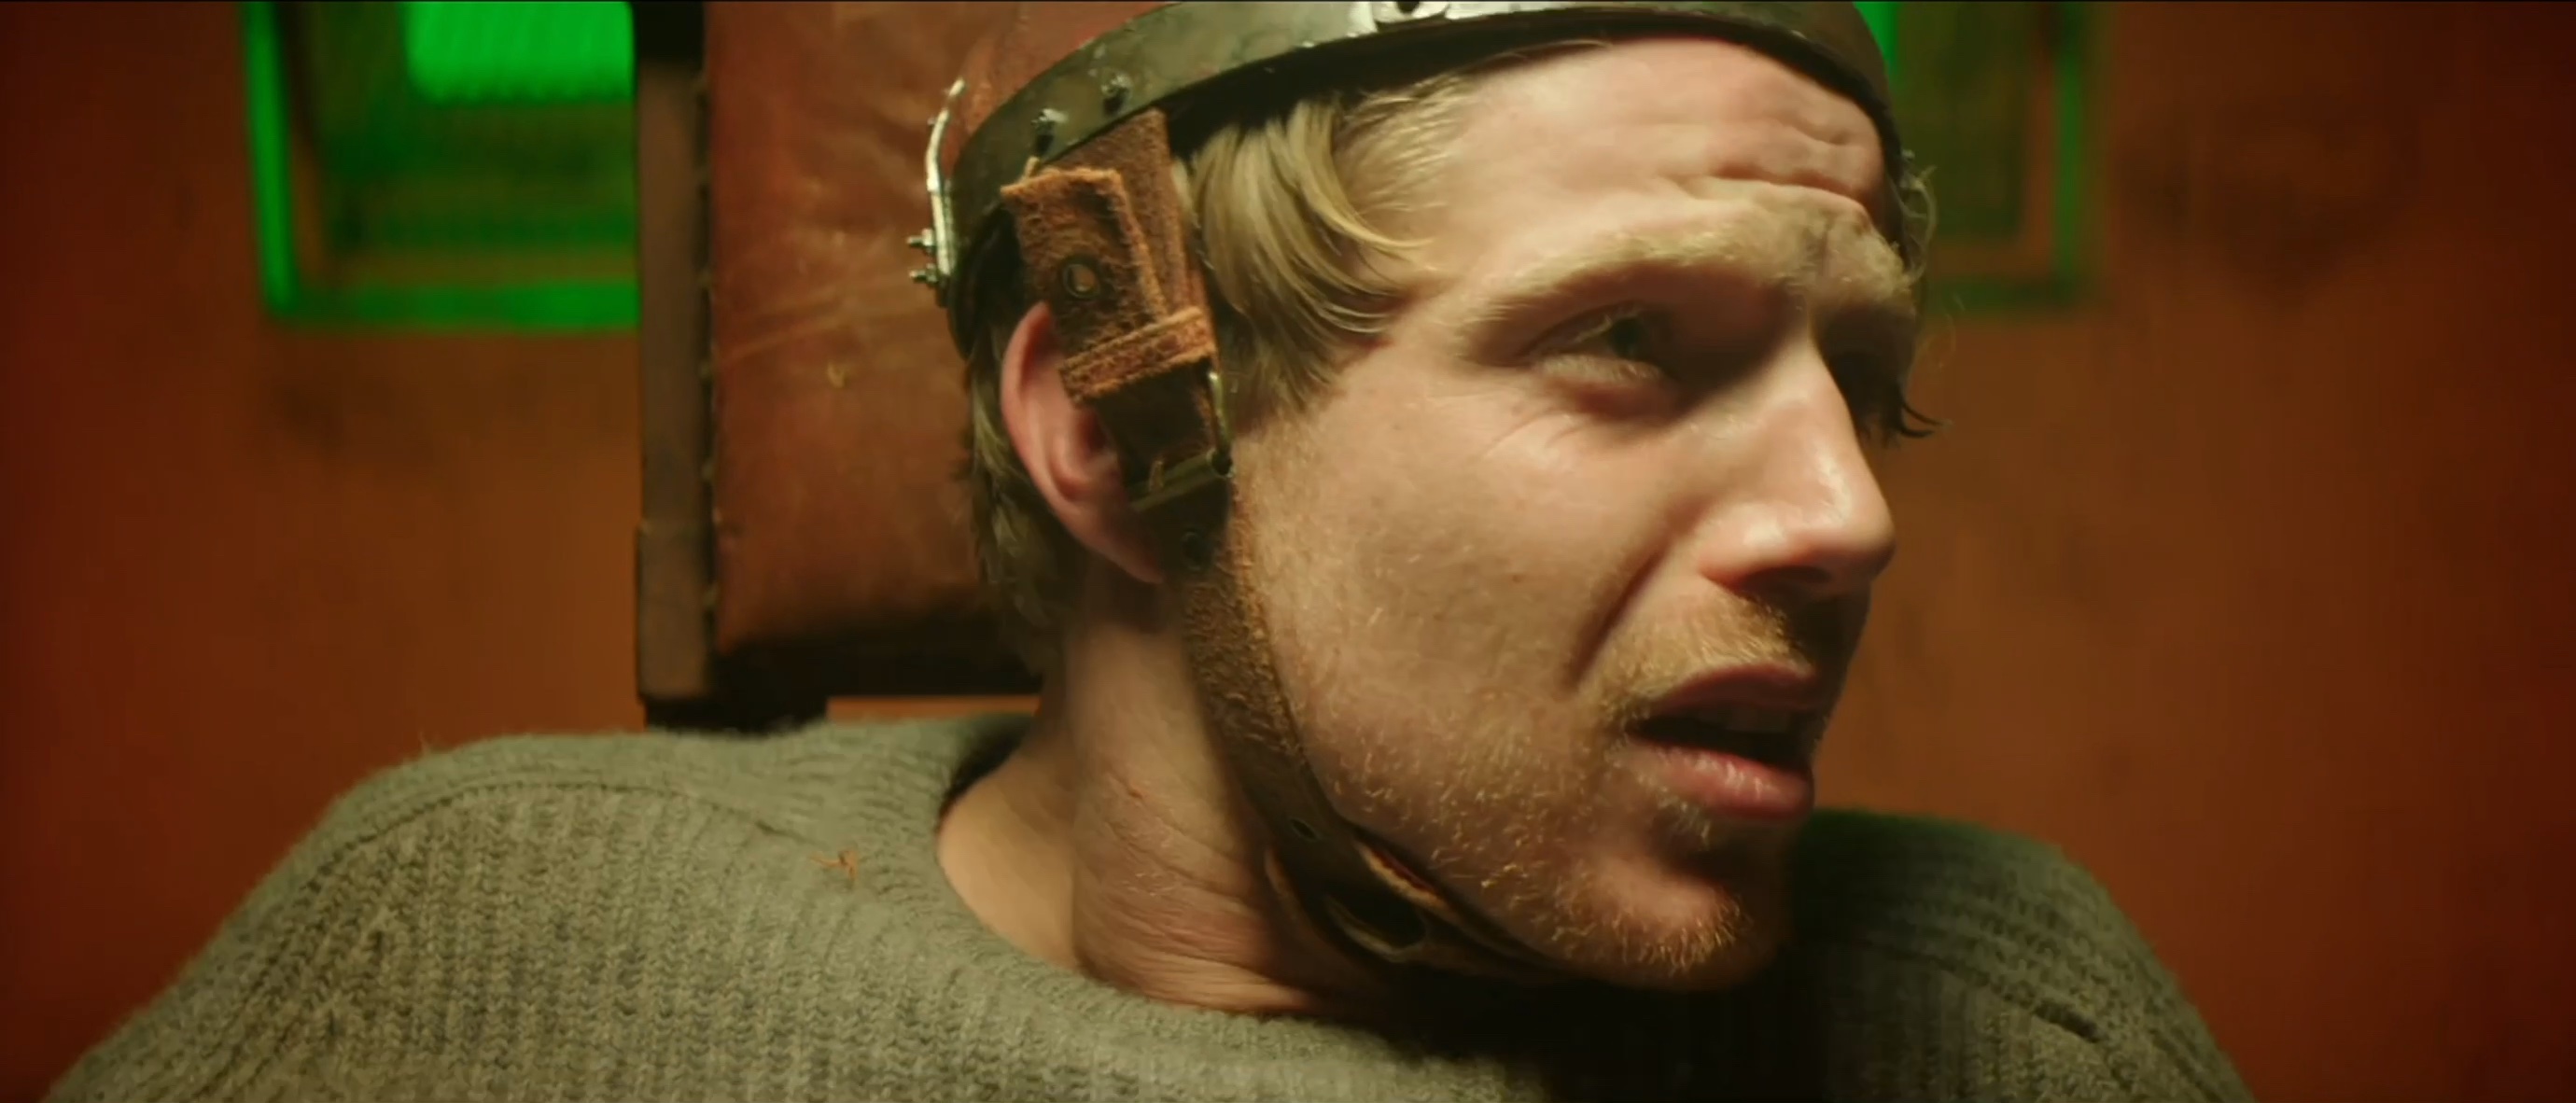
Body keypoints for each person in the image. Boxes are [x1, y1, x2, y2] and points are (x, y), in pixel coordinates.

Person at [52, 3, 2249, 1100]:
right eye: (1626, 343)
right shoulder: (476, 957)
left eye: (1863, 376)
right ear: (1115, 428)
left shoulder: (2003, 1025)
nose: (1849, 518)